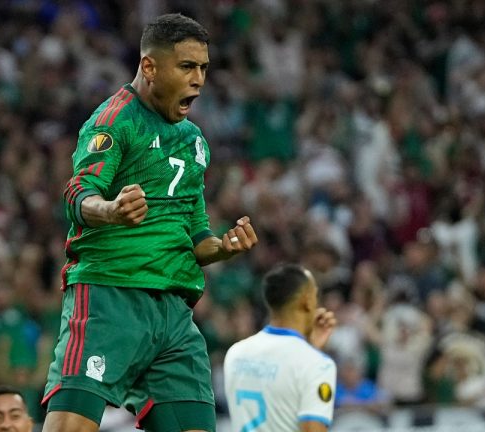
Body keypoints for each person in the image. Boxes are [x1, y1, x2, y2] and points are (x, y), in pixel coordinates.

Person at [42, 13, 258, 432]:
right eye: (187, 67)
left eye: (203, 69)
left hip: (174, 315)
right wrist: (111, 210)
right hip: (111, 297)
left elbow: (195, 233)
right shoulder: (114, 121)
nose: (198, 80)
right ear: (149, 67)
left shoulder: (194, 141)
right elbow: (77, 193)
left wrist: (222, 246)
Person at [224, 264, 337, 432]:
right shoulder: (318, 365)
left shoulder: (236, 353)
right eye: (315, 293)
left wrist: (309, 347)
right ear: (306, 300)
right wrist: (311, 353)